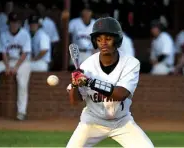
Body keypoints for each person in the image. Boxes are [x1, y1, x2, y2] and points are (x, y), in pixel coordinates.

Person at [66, 17, 154, 148]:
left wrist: (89, 82)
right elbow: (74, 102)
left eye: (108, 39)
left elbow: (120, 94)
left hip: (122, 122)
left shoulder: (131, 63)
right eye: (99, 39)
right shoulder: (87, 66)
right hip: (92, 121)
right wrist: (74, 84)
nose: (103, 43)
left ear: (117, 40)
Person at [0, 12, 31, 121]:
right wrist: (7, 66)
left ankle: (21, 112)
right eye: (12, 22)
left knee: (22, 82)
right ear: (8, 23)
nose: (14, 25)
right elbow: (3, 53)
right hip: (9, 61)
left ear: (19, 24)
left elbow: (25, 53)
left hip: (22, 62)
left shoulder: (25, 34)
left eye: (16, 22)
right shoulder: (4, 34)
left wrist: (16, 67)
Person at [68, 4, 95, 69]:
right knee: (73, 73)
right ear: (81, 12)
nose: (87, 13)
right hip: (76, 52)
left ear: (91, 12)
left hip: (89, 52)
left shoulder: (95, 23)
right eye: (85, 10)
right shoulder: (74, 22)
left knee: (88, 74)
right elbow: (68, 37)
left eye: (89, 11)